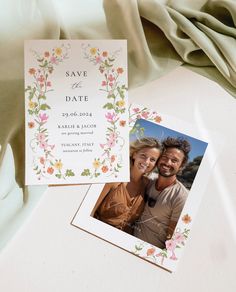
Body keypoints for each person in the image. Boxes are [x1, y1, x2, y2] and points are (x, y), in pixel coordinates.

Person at [91, 137, 162, 234]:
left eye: (152, 159)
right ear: (134, 154)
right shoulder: (114, 178)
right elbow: (90, 211)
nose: (147, 162)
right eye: (143, 156)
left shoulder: (148, 185)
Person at [134, 137, 191, 249]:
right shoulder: (148, 181)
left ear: (181, 166)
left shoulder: (181, 196)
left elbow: (172, 241)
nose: (167, 163)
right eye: (164, 157)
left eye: (174, 160)